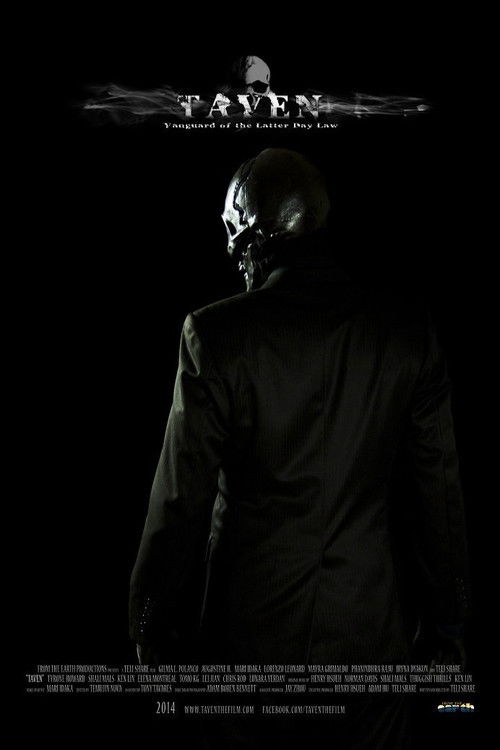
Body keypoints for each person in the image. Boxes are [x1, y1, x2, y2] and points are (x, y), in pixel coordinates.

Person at [129, 148, 471, 748]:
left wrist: (149, 625)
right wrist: (447, 629)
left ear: (257, 232)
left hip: (245, 648)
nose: (231, 249)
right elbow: (437, 498)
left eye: (234, 229)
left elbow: (180, 501)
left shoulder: (215, 336)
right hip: (368, 646)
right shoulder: (406, 334)